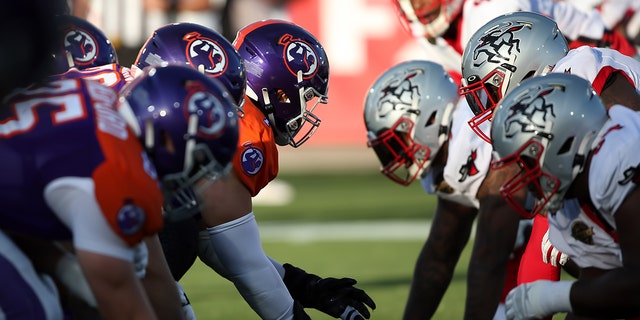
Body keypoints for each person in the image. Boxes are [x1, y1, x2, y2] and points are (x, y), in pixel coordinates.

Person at [132, 19, 376, 320]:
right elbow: (243, 263)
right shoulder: (246, 131)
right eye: (305, 96)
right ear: (279, 88)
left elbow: (214, 240)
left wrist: (307, 286)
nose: (304, 109)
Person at [458, 10, 640, 320]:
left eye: (489, 93)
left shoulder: (578, 73)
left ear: (524, 72)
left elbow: (629, 144)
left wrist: (551, 296)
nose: (487, 110)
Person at [363, 59, 533, 320]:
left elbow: (489, 259)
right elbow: (439, 255)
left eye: (398, 142)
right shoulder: (451, 152)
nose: (395, 156)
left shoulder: (476, 137)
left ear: (429, 119)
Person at [0, 52, 165, 320]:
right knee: (35, 310)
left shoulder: (99, 98)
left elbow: (15, 199)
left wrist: (62, 266)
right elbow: (126, 309)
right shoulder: (108, 174)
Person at [490, 72, 640, 319]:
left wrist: (553, 296)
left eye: (526, 163)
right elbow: (598, 291)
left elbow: (635, 287)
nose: (522, 178)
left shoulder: (619, 154)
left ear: (562, 144)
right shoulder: (569, 198)